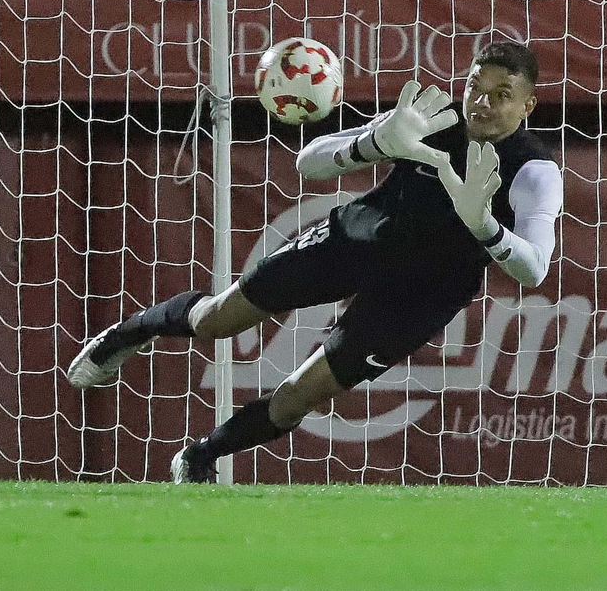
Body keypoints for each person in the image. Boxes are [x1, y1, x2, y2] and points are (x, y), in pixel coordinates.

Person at [67, 41, 563, 483]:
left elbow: (535, 269)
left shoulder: (534, 171)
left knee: (299, 395)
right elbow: (308, 163)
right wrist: (373, 143)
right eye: (476, 86)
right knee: (220, 319)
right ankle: (126, 335)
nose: (482, 101)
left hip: (421, 293)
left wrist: (486, 228)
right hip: (357, 238)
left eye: (501, 94)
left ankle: (202, 456)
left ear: (528, 105)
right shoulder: (433, 119)